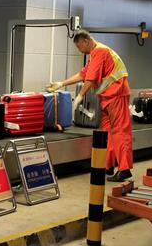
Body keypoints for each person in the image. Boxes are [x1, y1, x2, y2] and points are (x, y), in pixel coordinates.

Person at [46, 30, 133, 182]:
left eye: (80, 47)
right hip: (107, 97)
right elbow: (83, 74)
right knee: (106, 131)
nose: (80, 50)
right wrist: (61, 84)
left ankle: (124, 169)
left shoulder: (100, 51)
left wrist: (79, 96)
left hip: (117, 94)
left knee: (119, 130)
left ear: (86, 41)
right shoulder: (94, 54)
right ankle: (107, 165)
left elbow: (91, 79)